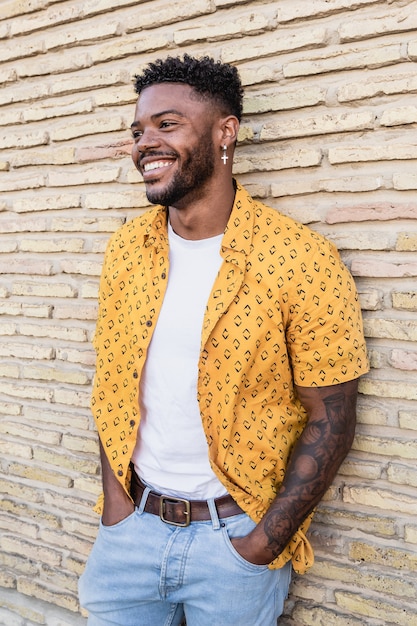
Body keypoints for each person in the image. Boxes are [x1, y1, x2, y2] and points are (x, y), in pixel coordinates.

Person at [78, 54, 369, 626]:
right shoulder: (126, 252)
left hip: (235, 542)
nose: (145, 143)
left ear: (224, 132)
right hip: (129, 533)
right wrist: (116, 504)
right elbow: (112, 383)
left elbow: (332, 416)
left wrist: (262, 544)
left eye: (167, 124)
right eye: (138, 130)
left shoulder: (299, 258)